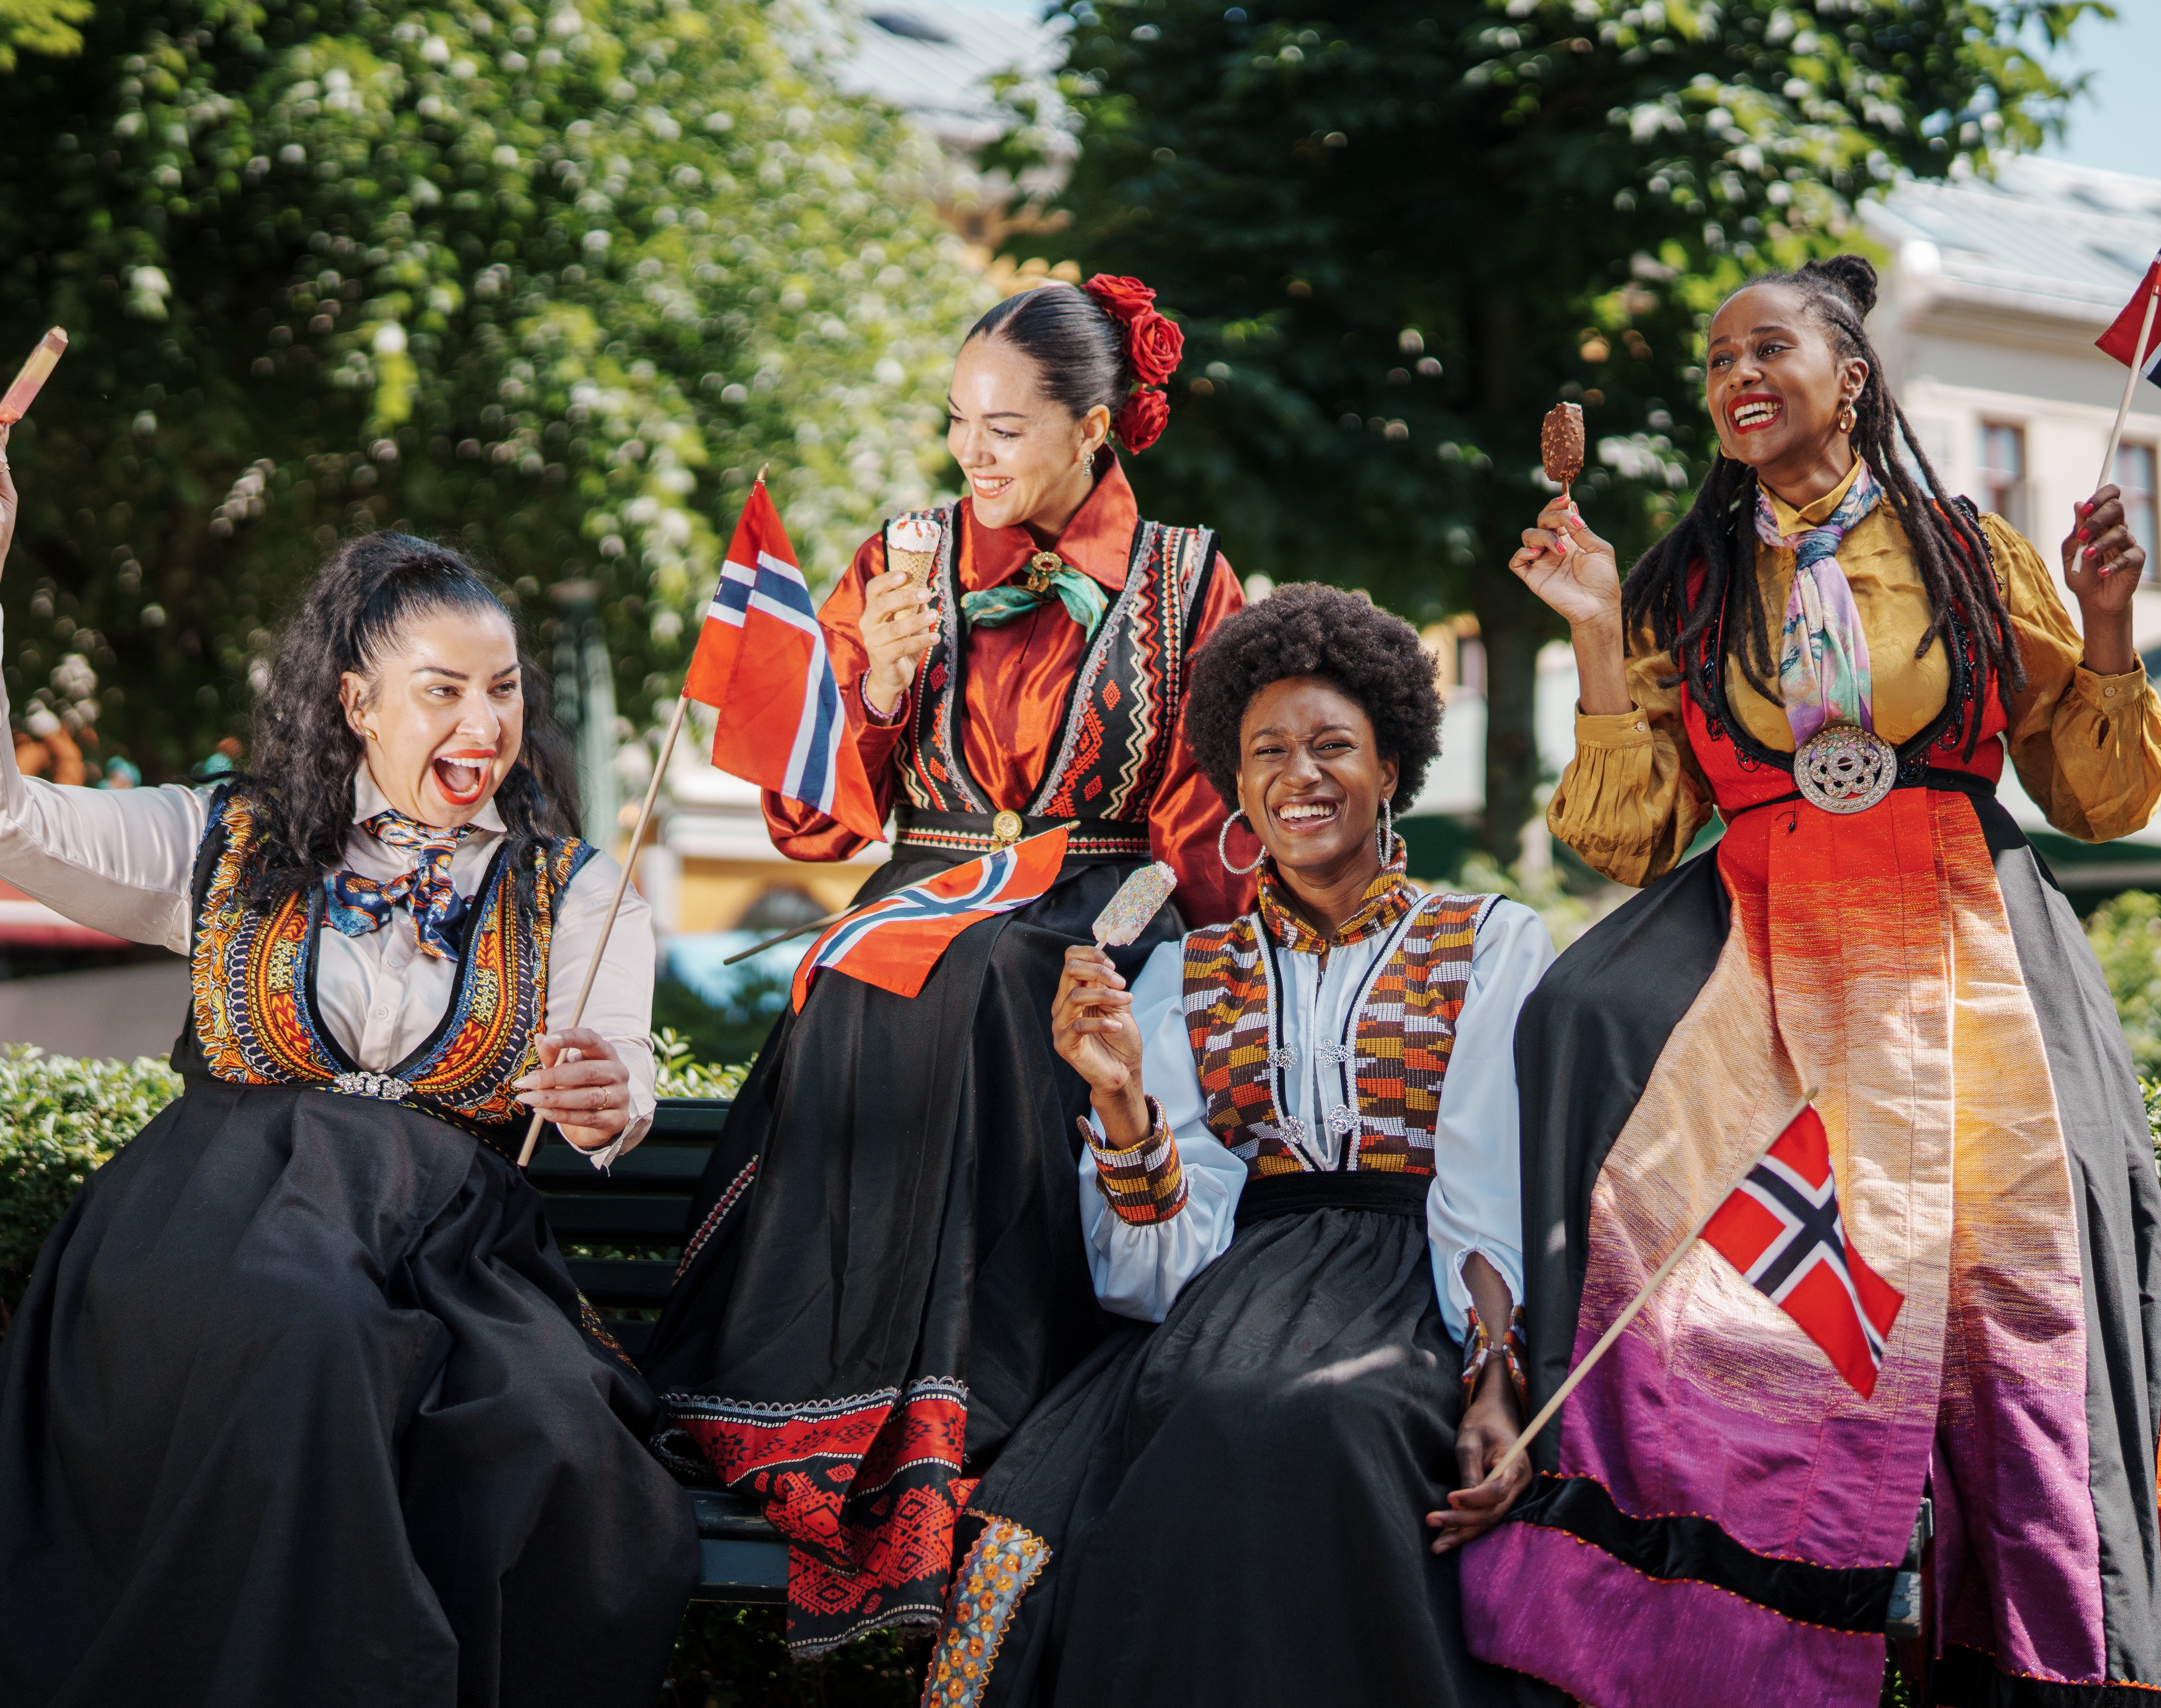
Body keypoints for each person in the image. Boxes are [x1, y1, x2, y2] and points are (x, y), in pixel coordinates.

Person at [1463, 256, 2161, 1707]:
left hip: (1962, 933)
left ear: (1854, 373)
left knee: (2043, 1224)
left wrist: (2110, 621)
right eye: (1713, 363)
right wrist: (1587, 625)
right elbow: (1626, 839)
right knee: (1581, 1019)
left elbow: (2098, 797)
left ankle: (2038, 1644)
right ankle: (1691, 1622)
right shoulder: (1684, 577)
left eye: (1767, 348)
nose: (1735, 378)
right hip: (1760, 930)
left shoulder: (1973, 554)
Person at [0, 486, 697, 1706]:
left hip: (447, 1265)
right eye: (445, 690)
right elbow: (9, 822)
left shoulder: (579, 893)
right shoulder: (217, 841)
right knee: (305, 1336)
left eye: (506, 688)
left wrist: (603, 1095)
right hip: (216, 1234)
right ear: (356, 704)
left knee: (547, 1436)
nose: (486, 721)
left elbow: (617, 1071)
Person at [641, 276, 1249, 1655]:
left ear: (1095, 429)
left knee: (990, 980)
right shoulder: (904, 560)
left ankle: (981, 1400)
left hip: (1101, 892)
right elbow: (818, 815)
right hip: (926, 875)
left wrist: (1158, 901)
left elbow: (1207, 821)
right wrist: (871, 692)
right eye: (957, 425)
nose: (972, 457)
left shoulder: (1184, 577)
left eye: (1005, 430)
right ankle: (829, 1403)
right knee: (881, 968)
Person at [915, 584, 1552, 1707]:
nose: (1301, 775)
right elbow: (1155, 1274)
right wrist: (1119, 1103)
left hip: (1419, 1290)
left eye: (1333, 746)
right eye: (1269, 752)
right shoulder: (1184, 971)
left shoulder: (1491, 940)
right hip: (1233, 1291)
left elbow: (1487, 1182)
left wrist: (1494, 1379)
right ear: (1237, 783)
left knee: (1325, 1414)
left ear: (1391, 767)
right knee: (1214, 1408)